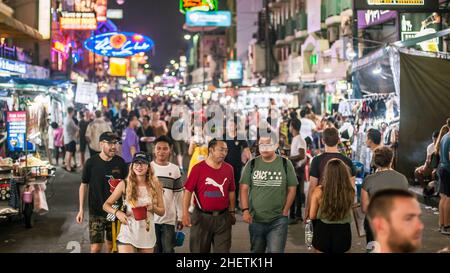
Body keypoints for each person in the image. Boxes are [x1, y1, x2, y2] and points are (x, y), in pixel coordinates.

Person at [240, 136, 297, 253]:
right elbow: (244, 188)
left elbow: (292, 188)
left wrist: (286, 210)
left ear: (276, 146)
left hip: (278, 220)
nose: (264, 148)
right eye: (262, 145)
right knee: (256, 250)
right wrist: (245, 210)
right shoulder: (251, 164)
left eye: (268, 144)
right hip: (256, 219)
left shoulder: (286, 164)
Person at [76, 132, 128, 253]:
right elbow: (83, 185)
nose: (114, 146)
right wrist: (81, 209)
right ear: (101, 144)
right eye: (110, 143)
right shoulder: (90, 163)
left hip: (115, 211)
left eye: (115, 143)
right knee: (95, 247)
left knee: (112, 245)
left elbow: (127, 186)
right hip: (96, 211)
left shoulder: (120, 163)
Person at [103, 152, 164, 253]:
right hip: (127, 231)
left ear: (148, 167)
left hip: (147, 233)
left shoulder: (156, 186)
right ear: (132, 166)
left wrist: (153, 208)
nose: (139, 166)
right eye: (136, 163)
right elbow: (106, 205)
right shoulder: (124, 184)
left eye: (143, 163)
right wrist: (117, 213)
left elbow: (162, 211)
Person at [182, 138, 236, 253]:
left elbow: (231, 191)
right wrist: (185, 214)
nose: (224, 153)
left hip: (223, 218)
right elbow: (188, 191)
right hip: (201, 217)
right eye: (221, 150)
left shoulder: (229, 169)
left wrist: (232, 212)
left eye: (226, 151)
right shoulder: (197, 169)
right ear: (211, 150)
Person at [361, 146, 409, 245]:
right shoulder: (402, 178)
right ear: (391, 160)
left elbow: (364, 208)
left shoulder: (368, 180)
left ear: (375, 162)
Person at [305, 127, 356, 221]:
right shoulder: (347, 161)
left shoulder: (317, 161)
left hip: (322, 209)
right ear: (339, 140)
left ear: (323, 141)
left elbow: (312, 187)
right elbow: (352, 188)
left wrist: (308, 209)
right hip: (342, 211)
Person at [309, 159, 355, 253]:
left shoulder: (319, 191)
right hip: (343, 232)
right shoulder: (350, 191)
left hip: (323, 231)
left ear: (327, 173)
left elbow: (312, 216)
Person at [150, 136, 184, 253]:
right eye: (158, 148)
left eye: (165, 148)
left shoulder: (175, 169)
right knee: (155, 249)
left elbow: (179, 195)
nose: (161, 151)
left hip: (168, 219)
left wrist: (180, 217)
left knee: (168, 249)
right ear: (154, 149)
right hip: (151, 218)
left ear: (170, 150)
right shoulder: (148, 168)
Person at [224, 121, 251, 210]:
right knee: (226, 184)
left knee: (235, 184)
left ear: (236, 126)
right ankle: (226, 203)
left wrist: (251, 161)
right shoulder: (224, 137)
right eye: (229, 124)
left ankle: (235, 203)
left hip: (237, 165)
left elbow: (246, 149)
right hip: (226, 165)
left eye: (232, 124)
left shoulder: (240, 136)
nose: (230, 126)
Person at [287, 118, 306, 224]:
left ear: (293, 126)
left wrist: (288, 158)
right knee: (297, 193)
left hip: (297, 170)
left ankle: (294, 216)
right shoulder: (296, 139)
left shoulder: (299, 139)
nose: (289, 127)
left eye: (290, 125)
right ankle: (297, 215)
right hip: (295, 170)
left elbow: (302, 155)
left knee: (293, 193)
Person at [438, 118, 450, 235]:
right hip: (447, 169)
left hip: (442, 168)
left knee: (443, 198)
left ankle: (441, 224)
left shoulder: (444, 137)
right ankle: (447, 226)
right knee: (448, 199)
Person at [64, 107, 79, 172]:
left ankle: (67, 165)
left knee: (67, 153)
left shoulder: (65, 119)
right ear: (72, 112)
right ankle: (68, 166)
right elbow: (76, 128)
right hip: (71, 139)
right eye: (73, 111)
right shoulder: (70, 120)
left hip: (67, 138)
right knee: (70, 153)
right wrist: (78, 128)